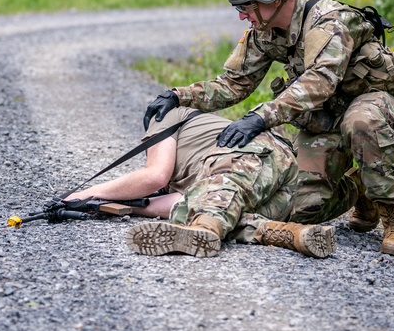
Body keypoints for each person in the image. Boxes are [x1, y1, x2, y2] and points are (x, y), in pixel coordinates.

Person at [144, 0, 394, 257]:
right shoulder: (265, 31)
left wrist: (261, 117)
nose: (241, 15)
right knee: (301, 208)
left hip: (374, 103)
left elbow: (320, 83)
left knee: (361, 122)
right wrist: (179, 96)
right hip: (325, 119)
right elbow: (235, 83)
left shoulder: (329, 21)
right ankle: (360, 188)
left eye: (247, 6)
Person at [65, 107, 337, 259]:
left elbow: (153, 177)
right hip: (272, 181)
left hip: (254, 152)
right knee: (208, 209)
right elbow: (182, 202)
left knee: (214, 204)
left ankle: (205, 231)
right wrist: (122, 205)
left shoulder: (166, 118)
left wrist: (88, 193)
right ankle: (292, 234)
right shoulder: (193, 177)